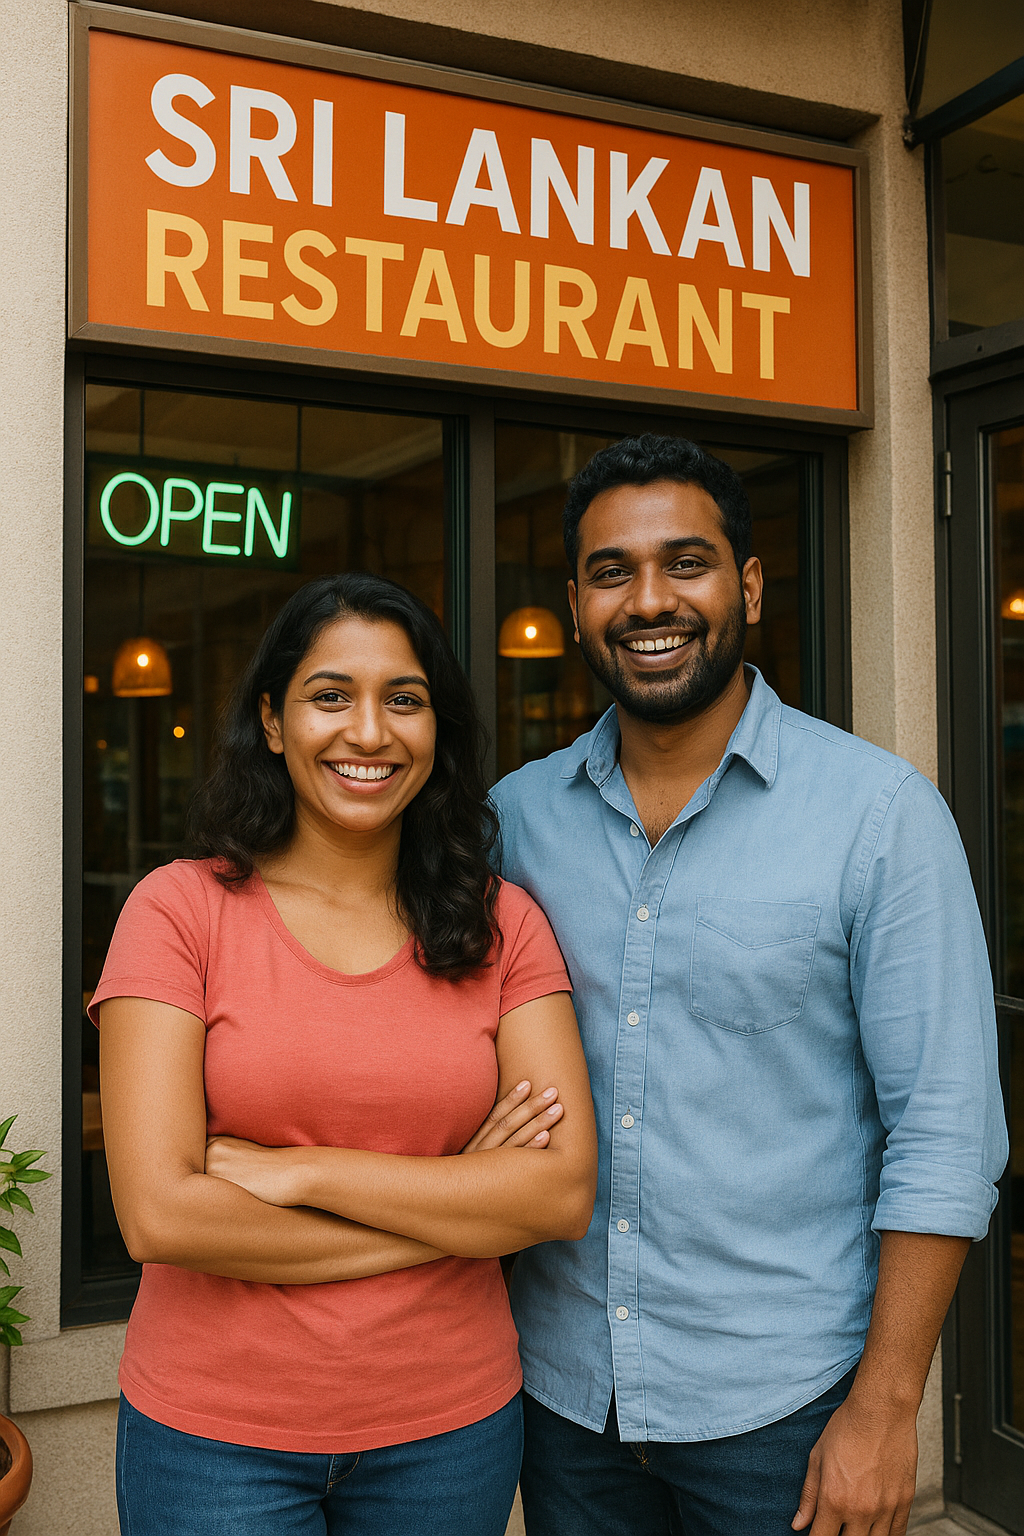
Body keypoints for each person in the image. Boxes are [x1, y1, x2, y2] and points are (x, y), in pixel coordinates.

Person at [490, 435, 1009, 1536]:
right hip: (563, 1396)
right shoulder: (513, 823)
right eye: (610, 571)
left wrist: (884, 1407)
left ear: (749, 586)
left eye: (686, 562)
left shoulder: (880, 818)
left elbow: (945, 1135)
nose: (649, 601)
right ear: (576, 604)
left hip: (789, 1409)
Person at [93, 571, 597, 1536]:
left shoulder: (503, 926)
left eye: (403, 700)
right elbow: (160, 1215)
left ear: (436, 730)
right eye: (331, 696)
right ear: (274, 722)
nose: (369, 733)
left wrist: (301, 1172)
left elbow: (559, 1194)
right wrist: (457, 1209)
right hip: (215, 1442)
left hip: (448, 1435)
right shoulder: (177, 912)